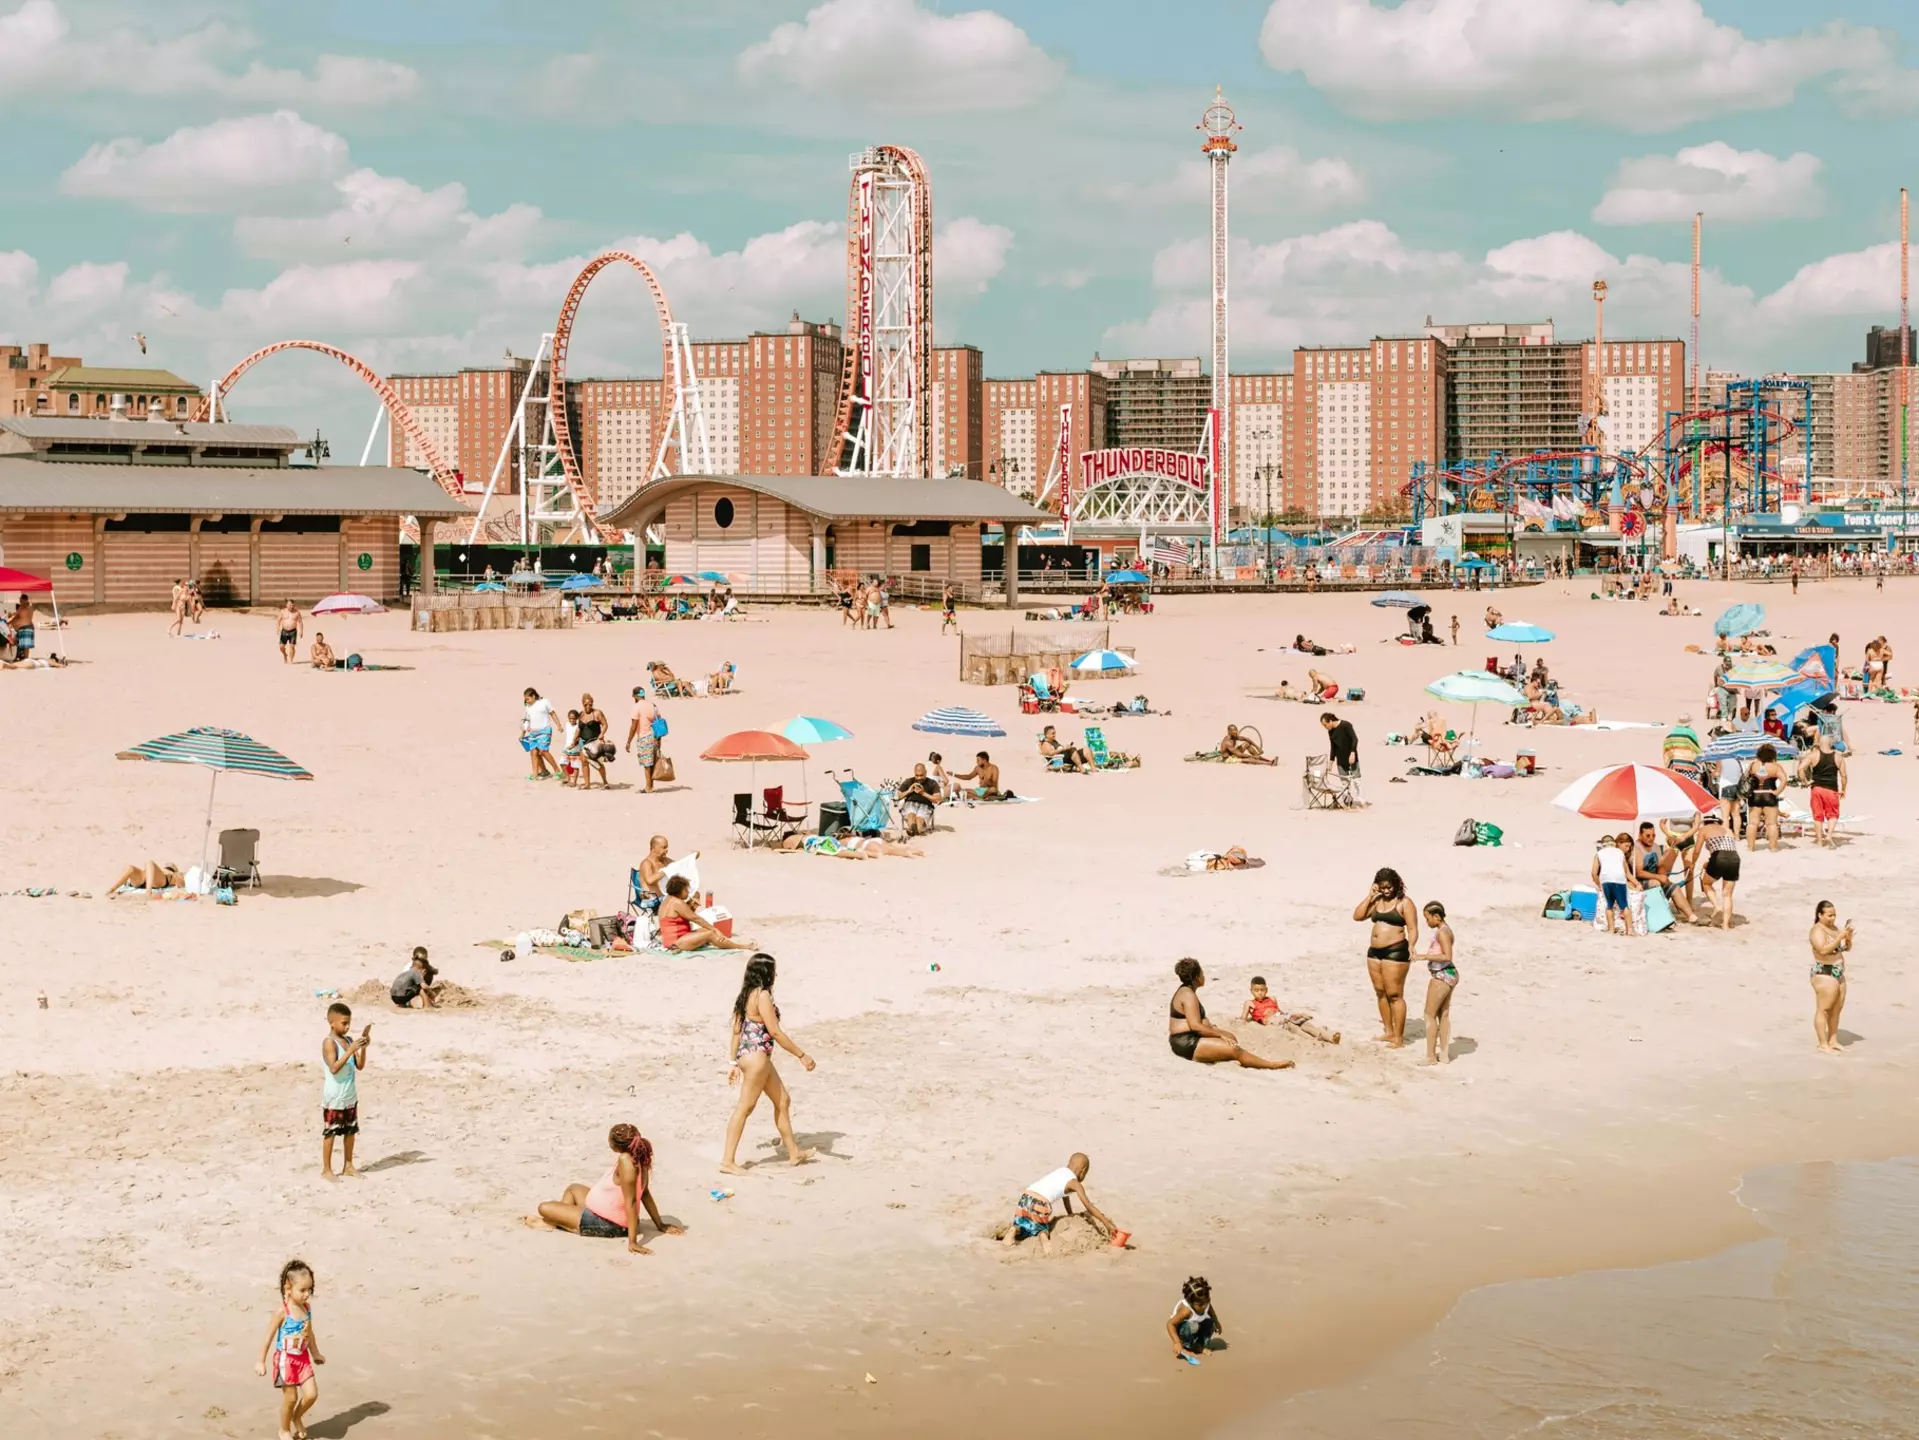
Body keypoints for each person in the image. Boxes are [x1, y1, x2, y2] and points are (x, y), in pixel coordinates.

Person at [720, 954, 816, 1174]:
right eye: (773, 971)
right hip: (757, 1058)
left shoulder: (745, 994)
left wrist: (733, 1062)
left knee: (783, 1100)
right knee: (744, 1108)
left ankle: (794, 1153)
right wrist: (801, 1055)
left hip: (749, 1056)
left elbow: (736, 1031)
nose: (776, 975)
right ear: (766, 973)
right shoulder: (762, 995)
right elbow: (775, 1032)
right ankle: (727, 1161)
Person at [525, 1123, 684, 1254]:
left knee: (544, 1207)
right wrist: (660, 1224)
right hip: (604, 1211)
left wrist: (633, 1241)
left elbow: (632, 1201)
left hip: (609, 1223)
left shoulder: (625, 1161)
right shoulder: (639, 1157)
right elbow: (645, 1193)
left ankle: (557, 1222)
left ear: (614, 1146)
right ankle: (559, 1220)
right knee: (573, 1189)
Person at [1167, 958, 1294, 1070]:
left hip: (1191, 1036)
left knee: (1231, 1038)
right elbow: (1195, 1026)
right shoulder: (1188, 995)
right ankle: (1272, 1065)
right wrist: (1219, 1035)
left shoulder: (1187, 991)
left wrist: (1216, 1030)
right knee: (1234, 1049)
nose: (1203, 976)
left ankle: (1220, 1054)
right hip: (1186, 1043)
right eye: (1202, 973)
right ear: (1196, 977)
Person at [257, 1259, 323, 1439]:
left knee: (312, 1395)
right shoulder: (282, 1312)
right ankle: (284, 1429)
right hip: (285, 1361)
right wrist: (261, 1361)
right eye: (302, 1290)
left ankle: (296, 1416)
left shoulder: (307, 1309)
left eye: (309, 1289)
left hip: (303, 1359)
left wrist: (315, 1353)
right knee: (291, 1398)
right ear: (288, 1287)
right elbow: (268, 1337)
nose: (307, 1294)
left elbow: (309, 1333)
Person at [1000, 1153, 1115, 1254]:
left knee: (1021, 1222)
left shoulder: (1061, 1171)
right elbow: (1088, 1205)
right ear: (1083, 1171)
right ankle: (1044, 1240)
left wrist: (1070, 1213)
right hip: (1041, 1203)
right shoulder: (1075, 1184)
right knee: (1040, 1229)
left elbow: (1065, 1197)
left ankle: (1014, 1229)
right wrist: (1107, 1223)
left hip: (1026, 1197)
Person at [1354, 869, 1418, 1046]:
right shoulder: (1377, 900)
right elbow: (1357, 916)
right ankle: (1389, 1032)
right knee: (1380, 993)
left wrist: (1412, 945)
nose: (1386, 890)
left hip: (1395, 951)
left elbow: (1412, 928)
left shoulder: (1405, 903)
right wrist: (1370, 896)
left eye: (1389, 887)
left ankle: (1398, 1038)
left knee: (1395, 994)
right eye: (1383, 887)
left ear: (1396, 885)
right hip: (1374, 953)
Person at [320, 1002, 371, 1179]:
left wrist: (363, 1049)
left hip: (349, 1094)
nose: (347, 1027)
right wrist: (350, 1050)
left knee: (350, 1131)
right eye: (344, 1023)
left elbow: (360, 1066)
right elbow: (334, 1068)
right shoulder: (329, 1043)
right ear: (331, 1022)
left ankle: (348, 1165)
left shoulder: (349, 1041)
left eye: (349, 1023)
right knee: (331, 1132)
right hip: (334, 1096)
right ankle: (326, 1169)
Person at [657, 875, 754, 951]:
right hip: (675, 943)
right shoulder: (677, 903)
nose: (688, 892)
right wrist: (715, 929)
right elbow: (696, 919)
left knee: (706, 930)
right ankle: (742, 947)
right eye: (686, 890)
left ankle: (721, 942)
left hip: (672, 940)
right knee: (711, 933)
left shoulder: (667, 900)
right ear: (679, 890)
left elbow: (679, 918)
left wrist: (691, 907)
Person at [1808, 900, 1853, 1054]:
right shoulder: (1816, 931)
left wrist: (1848, 939)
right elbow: (1823, 950)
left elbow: (1843, 949)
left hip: (1838, 972)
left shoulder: (1834, 929)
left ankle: (1833, 1041)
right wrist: (1839, 937)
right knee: (1824, 1009)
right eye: (1829, 915)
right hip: (1824, 972)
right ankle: (1823, 1043)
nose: (1832, 918)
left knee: (1836, 1009)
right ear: (1820, 915)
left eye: (1834, 915)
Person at [1239, 975, 1340, 1044]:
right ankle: (1314, 1041)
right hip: (1274, 1021)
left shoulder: (1272, 998)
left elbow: (1279, 1011)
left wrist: (1291, 1016)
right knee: (1293, 1028)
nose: (1260, 993)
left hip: (1283, 1016)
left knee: (1306, 1025)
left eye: (1262, 990)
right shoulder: (1249, 1003)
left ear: (1266, 990)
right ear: (1251, 991)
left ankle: (1331, 1038)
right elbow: (1242, 1019)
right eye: (1256, 990)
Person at [1634, 822, 1696, 925]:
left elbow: (1660, 866)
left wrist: (1663, 875)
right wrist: (1659, 877)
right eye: (1648, 836)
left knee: (1675, 887)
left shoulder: (1656, 847)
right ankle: (1662, 917)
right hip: (1640, 881)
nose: (1651, 838)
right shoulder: (1637, 848)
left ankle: (1691, 916)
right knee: (1656, 883)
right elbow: (1639, 873)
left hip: (1655, 878)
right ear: (1640, 835)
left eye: (1653, 835)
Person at [1420, 901, 1458, 1065]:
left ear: (1436, 916)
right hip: (1448, 975)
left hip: (1442, 975)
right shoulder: (1446, 930)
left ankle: (1430, 1056)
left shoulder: (1443, 933)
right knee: (1443, 1014)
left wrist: (1424, 956)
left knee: (1429, 1014)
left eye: (1427, 918)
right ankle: (1443, 1054)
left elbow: (1447, 956)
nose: (1426, 922)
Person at [1800, 733, 1848, 848]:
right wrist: (1843, 789)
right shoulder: (1838, 757)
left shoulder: (1813, 755)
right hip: (1831, 789)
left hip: (1816, 788)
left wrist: (1805, 781)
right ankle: (1829, 835)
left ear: (1819, 743)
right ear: (1831, 743)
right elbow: (1844, 776)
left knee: (1818, 816)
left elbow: (1800, 768)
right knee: (1833, 815)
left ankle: (1819, 841)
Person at [1698, 811, 1740, 929]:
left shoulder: (1704, 829)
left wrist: (1693, 863)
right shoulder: (1728, 830)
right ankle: (1725, 925)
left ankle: (1717, 906)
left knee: (1706, 883)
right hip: (1734, 858)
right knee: (1727, 895)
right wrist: (1709, 863)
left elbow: (1697, 850)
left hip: (1719, 857)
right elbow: (1725, 851)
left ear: (1705, 822)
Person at [1166, 1277, 1223, 1365]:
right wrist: (1177, 1342)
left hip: (1196, 1325)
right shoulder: (1186, 1311)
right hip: (1182, 1330)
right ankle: (1185, 1347)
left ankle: (1198, 1346)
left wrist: (1216, 1321)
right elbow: (1170, 1324)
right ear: (1190, 1303)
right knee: (1193, 1326)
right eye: (1200, 1305)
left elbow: (1210, 1310)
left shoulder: (1205, 1302)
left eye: (1207, 1301)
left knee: (1211, 1323)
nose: (1204, 1306)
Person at [1591, 833, 1636, 936]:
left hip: (1606, 880)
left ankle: (1611, 929)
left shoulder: (1599, 853)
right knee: (1624, 906)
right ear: (1614, 844)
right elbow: (1627, 873)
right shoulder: (1620, 852)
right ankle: (1629, 930)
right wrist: (1637, 884)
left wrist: (1599, 885)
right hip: (1619, 879)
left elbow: (1594, 873)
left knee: (1609, 906)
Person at [1744, 742, 1786, 853]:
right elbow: (1784, 780)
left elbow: (1745, 777)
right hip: (1769, 794)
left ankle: (1750, 847)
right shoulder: (1775, 766)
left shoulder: (1753, 765)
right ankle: (1773, 847)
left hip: (1755, 795)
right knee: (1771, 824)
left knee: (1752, 823)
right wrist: (1777, 792)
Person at [625, 686, 663, 793]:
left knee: (647, 763)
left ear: (635, 696)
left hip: (644, 737)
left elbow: (633, 726)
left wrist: (628, 741)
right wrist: (659, 739)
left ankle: (648, 787)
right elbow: (659, 722)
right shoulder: (653, 705)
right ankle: (651, 785)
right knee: (652, 762)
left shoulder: (636, 707)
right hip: (654, 736)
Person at [1321, 711, 1362, 802]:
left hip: (1351, 757)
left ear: (1330, 721)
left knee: (1356, 780)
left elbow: (1355, 739)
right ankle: (1347, 801)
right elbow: (1333, 746)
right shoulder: (1330, 731)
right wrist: (1331, 762)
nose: (1325, 727)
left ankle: (1361, 799)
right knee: (1344, 782)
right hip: (1340, 759)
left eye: (1325, 725)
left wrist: (1353, 753)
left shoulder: (1346, 725)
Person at [521, 687, 559, 780]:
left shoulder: (544, 702)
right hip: (533, 733)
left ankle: (557, 771)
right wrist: (522, 734)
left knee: (543, 751)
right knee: (533, 752)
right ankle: (535, 775)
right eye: (525, 700)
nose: (526, 701)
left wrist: (558, 725)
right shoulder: (528, 707)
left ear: (533, 696)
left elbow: (552, 713)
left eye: (528, 699)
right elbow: (526, 721)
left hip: (545, 730)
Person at [576, 693, 610, 790]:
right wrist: (574, 740)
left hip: (594, 742)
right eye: (586, 705)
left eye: (590, 704)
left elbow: (605, 724)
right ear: (582, 704)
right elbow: (579, 729)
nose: (588, 706)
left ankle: (605, 781)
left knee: (597, 762)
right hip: (582, 742)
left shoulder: (597, 713)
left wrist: (602, 734)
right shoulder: (581, 714)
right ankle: (587, 784)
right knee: (584, 762)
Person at [898, 763, 942, 836]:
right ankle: (914, 829)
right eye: (917, 775)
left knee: (919, 819)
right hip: (910, 803)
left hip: (926, 805)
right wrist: (908, 791)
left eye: (921, 775)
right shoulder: (909, 781)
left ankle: (914, 830)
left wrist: (923, 793)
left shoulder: (932, 783)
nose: (919, 778)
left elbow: (938, 799)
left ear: (926, 773)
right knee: (911, 814)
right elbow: (896, 796)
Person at [106, 860, 183, 896]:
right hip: (145, 879)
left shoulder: (173, 874)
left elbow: (180, 883)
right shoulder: (158, 870)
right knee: (131, 868)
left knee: (149, 863)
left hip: (158, 881)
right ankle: (111, 890)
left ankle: (148, 892)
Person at [636, 834, 672, 911]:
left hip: (665, 897)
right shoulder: (646, 863)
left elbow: (678, 865)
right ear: (654, 848)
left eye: (667, 847)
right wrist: (666, 870)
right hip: (652, 899)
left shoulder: (665, 861)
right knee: (680, 903)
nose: (666, 850)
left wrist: (691, 857)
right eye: (664, 847)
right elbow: (650, 880)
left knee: (693, 896)